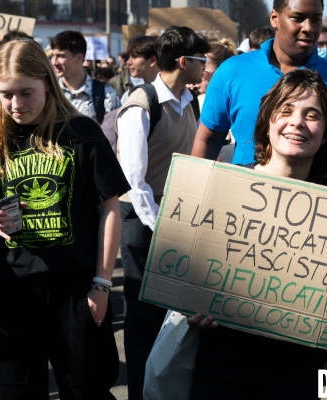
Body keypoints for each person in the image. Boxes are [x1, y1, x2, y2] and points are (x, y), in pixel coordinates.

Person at [189, 67, 327, 400]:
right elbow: (188, 268)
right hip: (220, 368)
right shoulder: (224, 186)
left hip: (297, 375)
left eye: (311, 115)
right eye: (286, 111)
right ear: (267, 122)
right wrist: (190, 306)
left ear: (325, 133)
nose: (297, 121)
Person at [0, 38, 129, 399]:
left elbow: (109, 209)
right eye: (5, 94)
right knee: (10, 390)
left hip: (76, 288)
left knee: (85, 388)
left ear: (47, 81)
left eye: (26, 92)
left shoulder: (82, 132)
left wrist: (102, 284)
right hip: (12, 289)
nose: (16, 105)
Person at [115, 26, 210, 400]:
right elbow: (133, 181)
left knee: (177, 313)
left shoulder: (191, 100)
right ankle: (140, 392)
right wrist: (160, 226)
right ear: (183, 61)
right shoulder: (141, 104)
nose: (206, 68)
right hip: (143, 222)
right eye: (201, 60)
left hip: (176, 217)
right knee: (143, 315)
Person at [192, 0, 327, 185]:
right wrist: (194, 192)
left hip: (315, 205)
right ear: (275, 18)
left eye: (316, 19)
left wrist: (308, 158)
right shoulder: (232, 71)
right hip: (243, 201)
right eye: (298, 18)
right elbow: (208, 139)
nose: (308, 27)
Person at [50, 30, 121, 124]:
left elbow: (115, 134)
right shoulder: (48, 92)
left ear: (79, 58)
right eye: (52, 56)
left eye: (60, 56)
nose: (53, 62)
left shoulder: (106, 95)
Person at [119, 35, 160, 104]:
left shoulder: (177, 93)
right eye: (129, 56)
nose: (128, 62)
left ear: (152, 61)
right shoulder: (130, 96)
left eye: (134, 57)